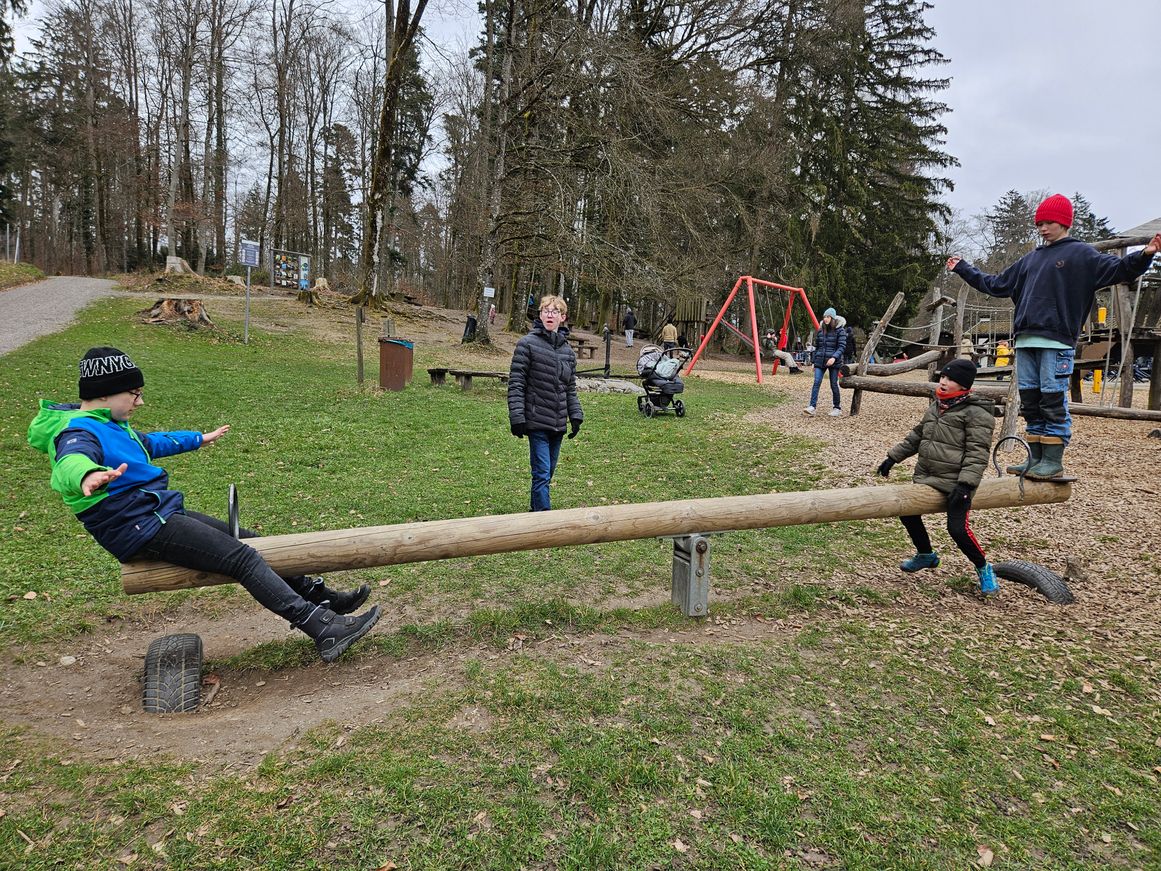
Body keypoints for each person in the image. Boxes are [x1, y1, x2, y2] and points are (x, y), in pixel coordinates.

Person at [27, 348, 381, 663]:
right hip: (137, 527)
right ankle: (323, 628)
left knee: (248, 539)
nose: (140, 402)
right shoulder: (77, 432)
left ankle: (322, 599)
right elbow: (71, 460)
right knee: (241, 558)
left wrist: (198, 438)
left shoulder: (112, 424)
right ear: (104, 393)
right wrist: (87, 474)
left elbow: (150, 443)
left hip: (155, 513)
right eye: (134, 394)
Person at [948, 194, 1161, 478]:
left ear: (1064, 223)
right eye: (1039, 224)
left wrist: (1146, 254)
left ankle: (1053, 460)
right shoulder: (1031, 259)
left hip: (1056, 339)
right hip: (1025, 338)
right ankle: (1035, 458)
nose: (1043, 228)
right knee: (1031, 401)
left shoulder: (1081, 254)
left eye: (1049, 223)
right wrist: (964, 268)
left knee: (1052, 399)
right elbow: (996, 284)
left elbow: (1119, 269)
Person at [876, 359, 999, 597]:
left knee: (957, 530)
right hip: (927, 475)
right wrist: (893, 457)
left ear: (963, 385)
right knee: (908, 511)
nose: (943, 382)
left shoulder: (976, 413)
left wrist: (965, 485)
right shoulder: (937, 405)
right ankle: (926, 554)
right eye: (942, 376)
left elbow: (977, 453)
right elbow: (917, 436)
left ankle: (984, 567)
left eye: (950, 379)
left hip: (956, 483)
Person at [508, 296, 584, 511]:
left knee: (547, 473)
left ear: (563, 317)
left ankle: (535, 513)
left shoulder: (568, 352)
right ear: (540, 315)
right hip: (536, 420)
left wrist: (575, 415)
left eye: (555, 311)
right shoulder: (527, 344)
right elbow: (516, 383)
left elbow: (569, 387)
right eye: (546, 311)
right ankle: (545, 519)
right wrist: (517, 417)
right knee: (541, 473)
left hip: (557, 423)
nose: (550, 315)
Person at [805, 308, 848, 416]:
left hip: (834, 361)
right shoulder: (821, 331)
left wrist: (834, 358)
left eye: (828, 317)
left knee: (833, 384)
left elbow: (841, 347)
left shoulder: (840, 331)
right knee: (816, 382)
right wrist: (814, 361)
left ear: (832, 318)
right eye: (824, 317)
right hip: (820, 360)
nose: (825, 319)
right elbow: (817, 347)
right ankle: (812, 406)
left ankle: (837, 408)